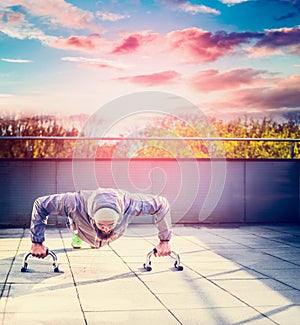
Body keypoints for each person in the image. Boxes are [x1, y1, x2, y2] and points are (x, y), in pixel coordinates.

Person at [30, 187, 172, 259]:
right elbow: (40, 204)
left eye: (110, 224)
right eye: (102, 224)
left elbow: (162, 204)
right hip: (83, 227)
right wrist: (37, 242)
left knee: (100, 239)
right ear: (94, 218)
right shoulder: (74, 203)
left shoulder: (132, 204)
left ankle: (93, 235)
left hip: (114, 232)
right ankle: (77, 235)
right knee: (77, 222)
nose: (105, 228)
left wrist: (164, 240)